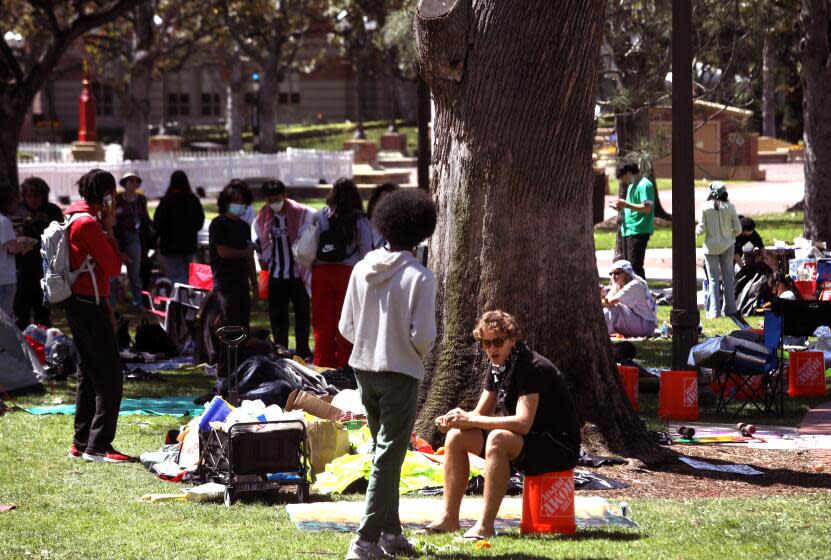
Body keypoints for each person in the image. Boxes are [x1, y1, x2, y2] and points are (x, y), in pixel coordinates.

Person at [338, 189, 438, 560]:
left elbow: (346, 326)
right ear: (422, 231)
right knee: (388, 457)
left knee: (386, 455)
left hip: (363, 369)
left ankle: (391, 534)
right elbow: (423, 335)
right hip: (399, 372)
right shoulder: (420, 277)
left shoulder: (362, 268)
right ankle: (364, 542)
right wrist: (409, 353)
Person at [424, 310, 580, 541]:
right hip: (529, 442)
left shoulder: (530, 366)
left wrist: (472, 420)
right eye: (485, 343)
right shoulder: (499, 365)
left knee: (498, 438)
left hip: (559, 446)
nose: (491, 348)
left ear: (512, 340)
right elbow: (479, 414)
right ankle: (449, 519)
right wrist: (455, 420)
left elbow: (523, 423)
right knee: (456, 436)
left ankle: (485, 526)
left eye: (497, 341)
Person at [64, 169, 130, 462]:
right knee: (109, 376)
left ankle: (81, 442)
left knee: (88, 375)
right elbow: (114, 267)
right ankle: (98, 446)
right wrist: (111, 227)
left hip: (79, 302)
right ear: (106, 197)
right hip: (88, 305)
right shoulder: (90, 225)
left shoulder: (72, 216)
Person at [310, 178, 372, 368]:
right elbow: (366, 251)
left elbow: (309, 245)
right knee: (347, 322)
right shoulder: (360, 219)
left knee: (322, 322)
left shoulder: (320, 215)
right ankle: (345, 365)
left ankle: (322, 363)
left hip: (321, 273)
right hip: (348, 274)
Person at [254, 180, 314, 359]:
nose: (274, 202)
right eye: (270, 198)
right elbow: (257, 239)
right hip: (276, 273)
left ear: (284, 195)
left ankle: (303, 350)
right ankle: (281, 348)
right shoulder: (263, 218)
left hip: (298, 274)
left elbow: (312, 232)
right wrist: (261, 259)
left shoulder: (301, 213)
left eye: (277, 197)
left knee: (302, 313)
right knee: (278, 315)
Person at [209, 180, 258, 374]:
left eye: (243, 201)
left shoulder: (244, 227)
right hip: (225, 284)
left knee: (243, 327)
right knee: (228, 327)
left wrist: (254, 282)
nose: (240, 204)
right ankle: (224, 370)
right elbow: (223, 252)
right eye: (236, 200)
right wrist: (245, 252)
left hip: (241, 283)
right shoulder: (218, 224)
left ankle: (239, 370)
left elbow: (249, 258)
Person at [13, 177, 63, 329]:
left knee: (43, 313)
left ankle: (42, 346)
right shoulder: (17, 211)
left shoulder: (52, 211)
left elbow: (61, 237)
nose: (33, 200)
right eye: (29, 196)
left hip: (45, 268)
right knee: (21, 314)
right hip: (21, 270)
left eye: (37, 196)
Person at [696, 182, 742, 319]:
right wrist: (730, 235)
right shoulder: (730, 207)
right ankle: (730, 310)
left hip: (710, 247)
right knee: (728, 278)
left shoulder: (704, 207)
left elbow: (702, 229)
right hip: (728, 245)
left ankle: (714, 312)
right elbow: (738, 230)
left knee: (713, 279)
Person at [154, 170, 205, 286]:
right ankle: (188, 300)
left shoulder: (166, 201)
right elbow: (200, 222)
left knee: (177, 276)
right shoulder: (193, 200)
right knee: (187, 275)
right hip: (189, 244)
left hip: (170, 245)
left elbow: (158, 223)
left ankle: (180, 302)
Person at [110, 172, 150, 309]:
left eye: (136, 181)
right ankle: (112, 304)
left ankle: (138, 303)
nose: (133, 184)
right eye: (130, 181)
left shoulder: (141, 199)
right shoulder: (118, 198)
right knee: (113, 273)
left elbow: (145, 219)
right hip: (117, 237)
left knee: (134, 272)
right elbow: (112, 218)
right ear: (125, 183)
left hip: (134, 237)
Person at [610, 162, 655, 279]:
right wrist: (621, 207)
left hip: (639, 230)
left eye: (623, 178)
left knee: (635, 267)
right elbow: (632, 206)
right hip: (628, 230)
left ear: (629, 173)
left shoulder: (645, 185)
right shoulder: (631, 186)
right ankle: (632, 295)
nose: (622, 181)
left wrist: (626, 204)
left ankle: (643, 295)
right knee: (628, 267)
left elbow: (647, 208)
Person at [0, 188, 36, 319]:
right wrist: (27, 243)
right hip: (4, 279)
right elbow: (13, 248)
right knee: (5, 321)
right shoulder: (4, 221)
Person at [601, 259, 658, 337]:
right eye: (611, 273)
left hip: (646, 325)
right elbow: (606, 301)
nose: (613, 276)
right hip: (639, 321)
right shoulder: (618, 285)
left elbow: (609, 302)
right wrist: (601, 296)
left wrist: (595, 301)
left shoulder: (635, 284)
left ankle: (603, 332)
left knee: (616, 308)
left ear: (626, 273)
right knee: (610, 309)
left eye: (616, 273)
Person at [366, 182, 399, 249]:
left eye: (390, 202)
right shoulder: (368, 225)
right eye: (381, 202)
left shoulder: (400, 227)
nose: (385, 207)